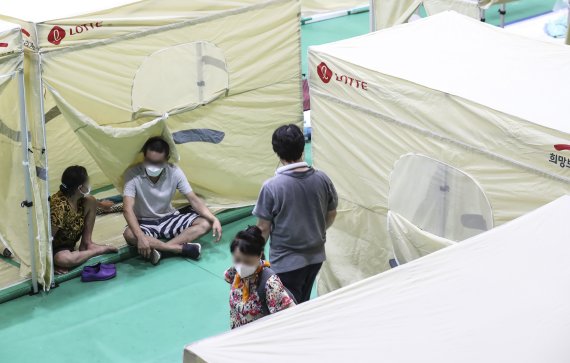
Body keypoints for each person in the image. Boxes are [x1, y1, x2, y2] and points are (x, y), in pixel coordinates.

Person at [254, 124, 338, 303]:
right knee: (304, 301)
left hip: (285, 264)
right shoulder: (322, 179)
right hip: (316, 257)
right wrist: (318, 230)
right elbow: (332, 213)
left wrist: (256, 257)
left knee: (287, 308)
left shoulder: (271, 187)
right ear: (302, 146)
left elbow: (263, 229)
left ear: (277, 152)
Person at [122, 136, 222, 265]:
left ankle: (163, 251)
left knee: (205, 223)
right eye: (149, 161)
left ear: (167, 159)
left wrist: (214, 219)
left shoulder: (174, 172)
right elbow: (127, 208)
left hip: (169, 218)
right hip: (144, 222)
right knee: (129, 234)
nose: (152, 166)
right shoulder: (132, 174)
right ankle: (177, 248)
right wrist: (140, 236)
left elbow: (193, 199)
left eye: (157, 163)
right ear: (144, 157)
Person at [50, 166, 118, 274]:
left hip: (71, 240)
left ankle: (87, 243)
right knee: (63, 259)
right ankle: (95, 251)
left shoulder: (75, 196)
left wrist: (102, 205)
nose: (89, 184)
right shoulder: (58, 208)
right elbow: (46, 241)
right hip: (58, 247)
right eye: (87, 181)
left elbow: (92, 201)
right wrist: (50, 266)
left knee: (91, 200)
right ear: (80, 187)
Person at [225, 226, 295, 329]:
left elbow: (292, 315)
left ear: (259, 255)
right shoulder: (234, 272)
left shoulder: (270, 284)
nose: (242, 266)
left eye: (248, 262)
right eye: (237, 260)